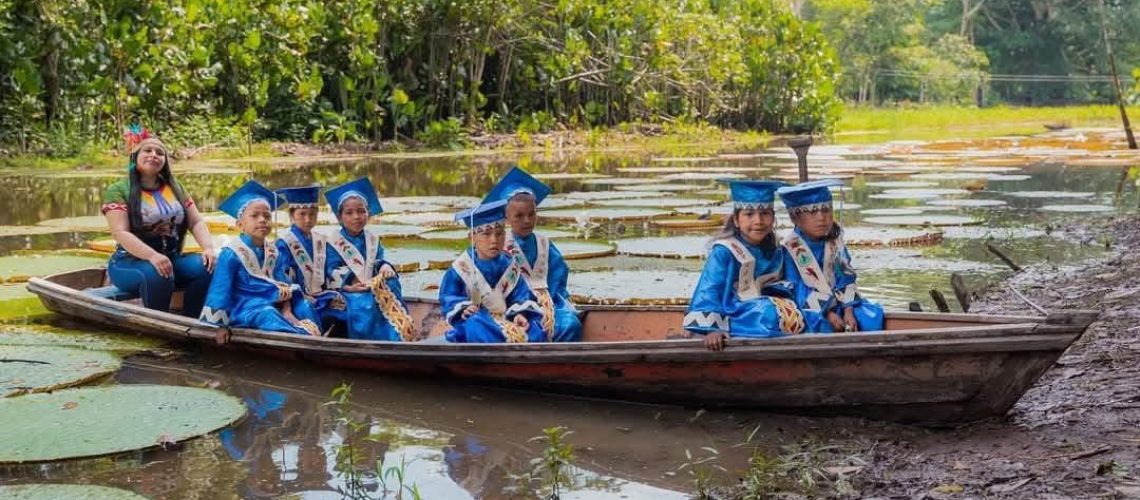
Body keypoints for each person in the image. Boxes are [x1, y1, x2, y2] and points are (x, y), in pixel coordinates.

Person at [101, 126, 215, 316]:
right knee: (158, 273)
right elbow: (120, 233)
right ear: (135, 156)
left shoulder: (175, 187)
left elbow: (196, 222)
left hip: (171, 259)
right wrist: (152, 256)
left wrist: (208, 248)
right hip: (129, 263)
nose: (154, 155)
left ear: (165, 161)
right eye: (148, 150)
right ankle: (160, 323)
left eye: (160, 152)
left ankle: (193, 320)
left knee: (208, 267)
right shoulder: (119, 190)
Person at [684, 180, 806, 351]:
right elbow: (710, 288)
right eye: (749, 214)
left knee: (804, 312)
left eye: (765, 213)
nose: (758, 221)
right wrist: (712, 328)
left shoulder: (777, 250)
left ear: (773, 218)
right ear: (736, 219)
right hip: (733, 310)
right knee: (768, 312)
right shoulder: (724, 250)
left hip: (763, 306)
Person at [199, 180, 322, 335]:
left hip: (274, 302)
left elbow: (283, 285)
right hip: (244, 307)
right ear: (240, 225)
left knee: (304, 306)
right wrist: (220, 326)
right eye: (254, 216)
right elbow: (220, 291)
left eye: (267, 216)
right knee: (267, 314)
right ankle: (302, 337)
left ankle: (312, 338)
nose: (262, 220)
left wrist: (287, 310)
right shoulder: (231, 254)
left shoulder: (274, 252)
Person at [484, 166, 582, 342]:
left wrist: (548, 306)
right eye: (519, 216)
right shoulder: (500, 246)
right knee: (528, 331)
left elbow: (558, 279)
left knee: (569, 324)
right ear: (506, 217)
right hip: (512, 307)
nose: (527, 221)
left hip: (550, 302)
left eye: (532, 214)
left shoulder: (544, 244)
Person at [777, 179, 885, 333]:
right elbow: (797, 289)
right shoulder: (789, 249)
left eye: (826, 209)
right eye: (813, 211)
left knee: (871, 317)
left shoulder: (835, 244)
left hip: (841, 303)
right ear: (795, 218)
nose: (822, 217)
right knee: (819, 324)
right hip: (809, 306)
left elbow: (846, 277)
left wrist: (848, 310)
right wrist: (827, 313)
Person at [437, 200, 546, 343]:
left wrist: (519, 314)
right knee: (474, 325)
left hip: (507, 319)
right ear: (472, 237)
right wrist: (464, 308)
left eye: (499, 233)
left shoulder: (510, 265)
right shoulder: (461, 268)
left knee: (536, 329)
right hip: (479, 320)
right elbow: (449, 297)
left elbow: (521, 296)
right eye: (486, 234)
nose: (494, 240)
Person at [322, 177, 415, 341]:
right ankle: (371, 340)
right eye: (349, 213)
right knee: (364, 303)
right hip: (346, 290)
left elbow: (377, 260)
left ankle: (398, 335)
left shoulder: (372, 239)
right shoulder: (333, 241)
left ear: (368, 213)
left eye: (361, 211)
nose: (356, 217)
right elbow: (331, 269)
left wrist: (384, 266)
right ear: (340, 217)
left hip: (370, 284)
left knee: (392, 282)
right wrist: (350, 284)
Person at [275, 185, 345, 329]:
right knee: (307, 309)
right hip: (297, 298)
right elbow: (282, 277)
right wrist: (294, 301)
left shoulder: (320, 240)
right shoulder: (284, 243)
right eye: (302, 214)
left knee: (347, 306)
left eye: (312, 214)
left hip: (321, 294)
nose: (308, 219)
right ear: (292, 215)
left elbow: (331, 268)